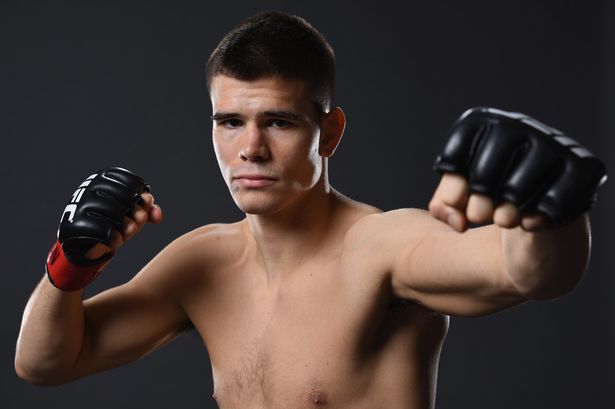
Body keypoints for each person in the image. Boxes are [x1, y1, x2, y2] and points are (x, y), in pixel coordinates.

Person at [15, 11, 606, 409]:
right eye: (230, 122)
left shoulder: (381, 248)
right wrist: (69, 267)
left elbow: (527, 272)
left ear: (330, 132)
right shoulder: (201, 263)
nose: (250, 147)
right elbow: (47, 363)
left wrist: (549, 211)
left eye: (278, 121)